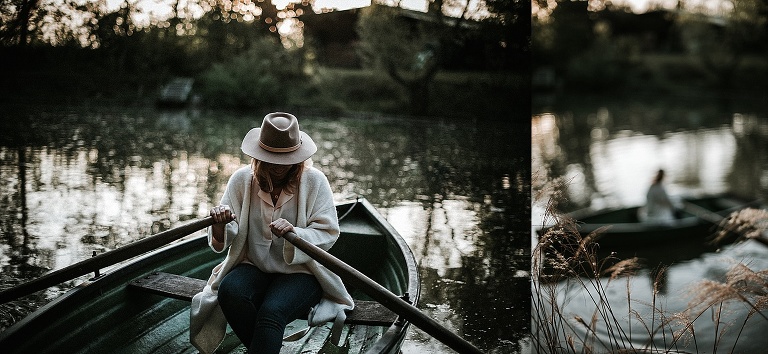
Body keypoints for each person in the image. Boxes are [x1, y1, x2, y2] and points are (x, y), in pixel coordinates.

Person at [189, 112, 354, 354]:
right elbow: (226, 235)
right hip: (252, 266)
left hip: (302, 272)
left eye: (286, 158)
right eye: (272, 158)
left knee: (271, 312)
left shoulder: (315, 181)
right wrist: (219, 223)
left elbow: (328, 232)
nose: (278, 166)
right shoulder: (241, 180)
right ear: (259, 155)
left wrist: (295, 233)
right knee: (229, 291)